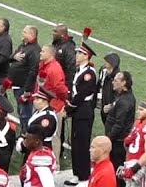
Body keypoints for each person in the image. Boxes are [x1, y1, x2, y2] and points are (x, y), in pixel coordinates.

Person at [64, 41, 98, 186]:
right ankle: (77, 173)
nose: (76, 55)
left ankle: (84, 175)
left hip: (83, 110)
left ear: (86, 56)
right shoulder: (80, 70)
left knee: (82, 144)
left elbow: (82, 94)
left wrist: (69, 107)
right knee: (76, 143)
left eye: (79, 53)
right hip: (78, 110)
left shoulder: (89, 74)